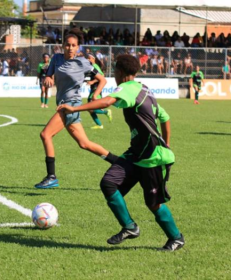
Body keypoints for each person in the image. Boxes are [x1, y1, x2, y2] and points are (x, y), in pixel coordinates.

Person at [57, 54, 184, 251]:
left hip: (150, 156)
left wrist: (75, 108)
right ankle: (130, 227)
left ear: (121, 72)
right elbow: (165, 117)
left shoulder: (126, 88)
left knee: (153, 204)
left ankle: (176, 238)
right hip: (136, 154)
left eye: (115, 71)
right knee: (109, 183)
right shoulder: (144, 88)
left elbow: (107, 102)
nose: (114, 75)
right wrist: (166, 143)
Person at [34, 29, 120, 189]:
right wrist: (47, 78)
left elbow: (102, 80)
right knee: (84, 143)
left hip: (71, 105)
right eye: (67, 45)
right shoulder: (56, 59)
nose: (70, 48)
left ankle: (51, 176)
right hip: (63, 104)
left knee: (45, 134)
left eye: (74, 45)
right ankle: (119, 162)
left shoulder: (83, 63)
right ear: (62, 46)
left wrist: (96, 95)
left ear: (78, 47)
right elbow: (50, 74)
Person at [85, 52, 112, 129]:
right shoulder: (91, 66)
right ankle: (99, 125)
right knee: (90, 109)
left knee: (90, 107)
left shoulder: (94, 66)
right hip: (93, 88)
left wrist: (92, 82)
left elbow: (102, 76)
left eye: (89, 58)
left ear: (93, 58)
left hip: (96, 88)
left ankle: (106, 112)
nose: (88, 59)